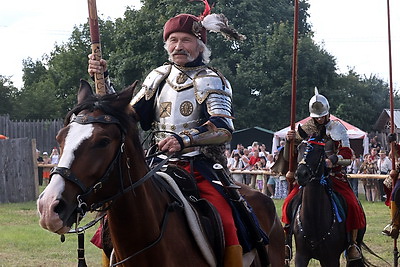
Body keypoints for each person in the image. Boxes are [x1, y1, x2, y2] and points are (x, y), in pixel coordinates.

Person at [88, 8, 247, 266]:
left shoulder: (212, 80)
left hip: (199, 166)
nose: (178, 46)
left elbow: (222, 128)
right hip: (156, 165)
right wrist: (104, 79)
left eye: (185, 40)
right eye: (173, 40)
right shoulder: (158, 77)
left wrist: (184, 140)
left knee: (226, 218)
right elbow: (128, 115)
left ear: (200, 44)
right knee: (110, 219)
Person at [281, 88, 366, 261]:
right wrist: (289, 141)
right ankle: (287, 242)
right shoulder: (306, 129)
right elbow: (290, 156)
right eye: (316, 116)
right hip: (310, 176)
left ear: (327, 114)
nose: (319, 119)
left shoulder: (337, 128)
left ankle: (352, 245)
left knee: (352, 205)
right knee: (289, 201)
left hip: (333, 177)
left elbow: (348, 155)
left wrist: (332, 160)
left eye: (322, 116)